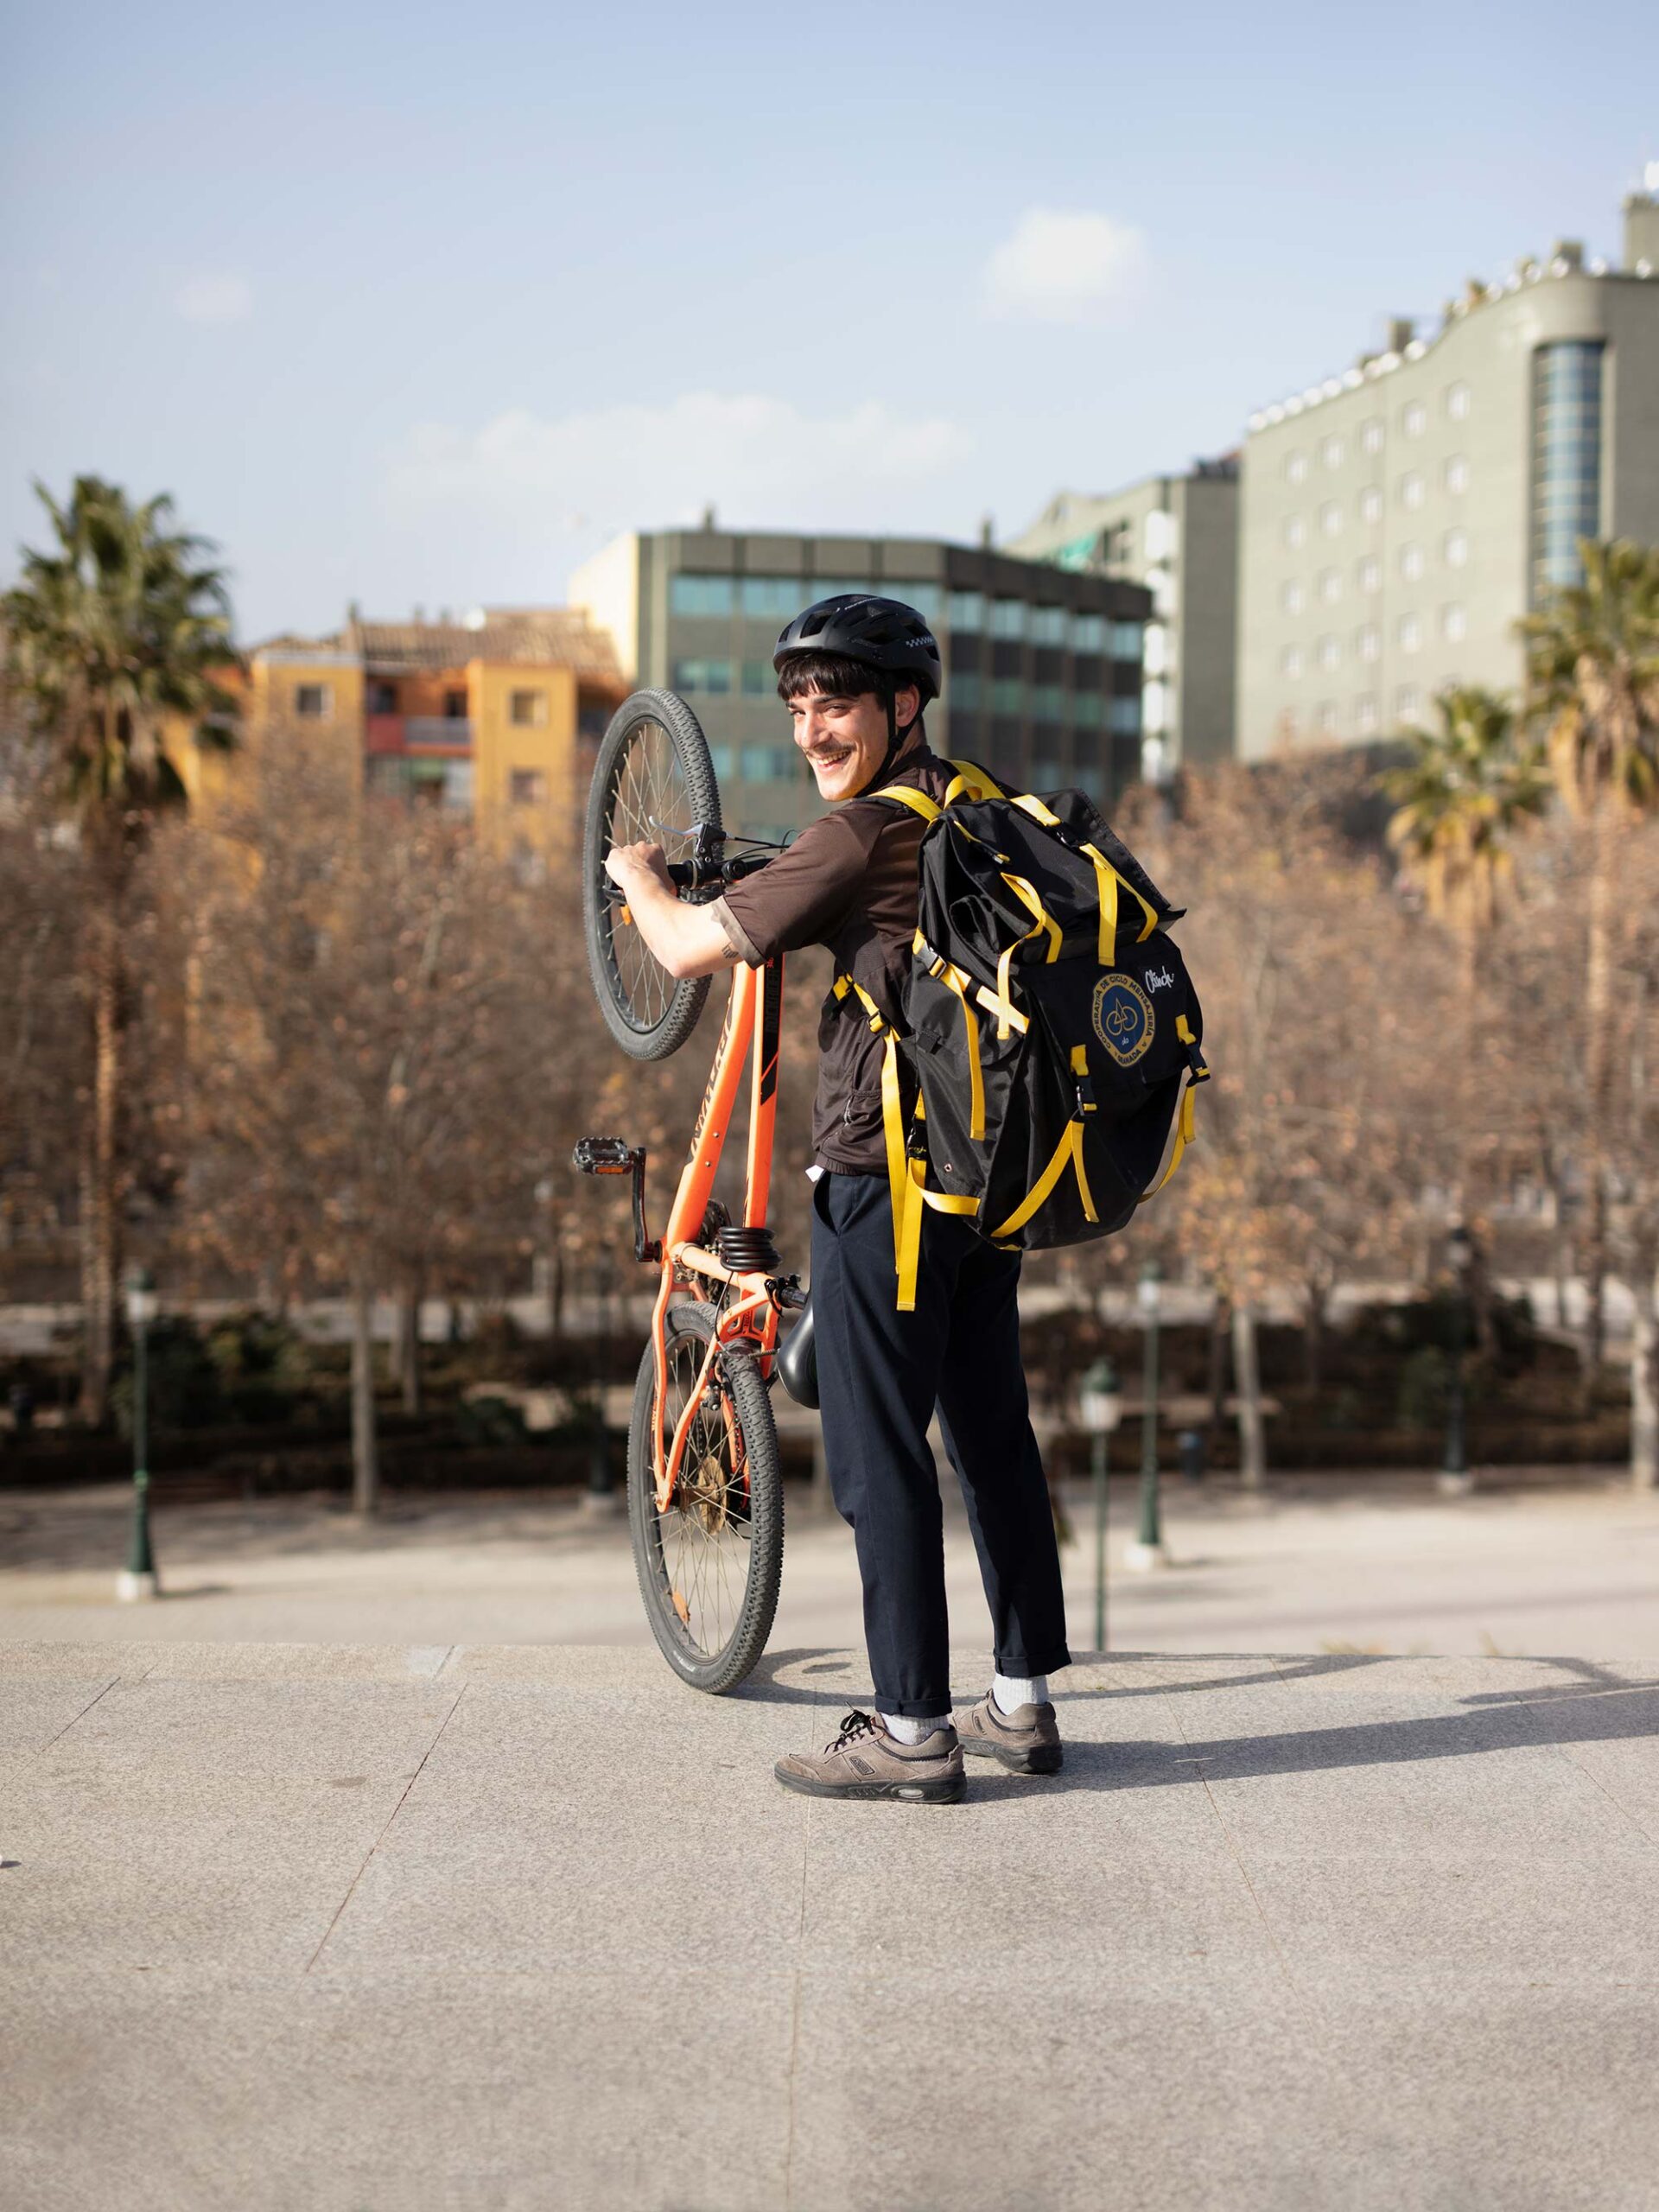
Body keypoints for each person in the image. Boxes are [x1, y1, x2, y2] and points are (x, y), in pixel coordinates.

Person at [602, 594, 1068, 1803]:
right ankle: (1021, 1705)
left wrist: (635, 873)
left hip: (885, 1190)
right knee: (991, 1439)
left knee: (875, 1458)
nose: (814, 727)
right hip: (986, 1187)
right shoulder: (977, 804)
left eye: (840, 701)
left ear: (903, 705)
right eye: (801, 703)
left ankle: (912, 1727)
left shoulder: (863, 834)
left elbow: (689, 949)